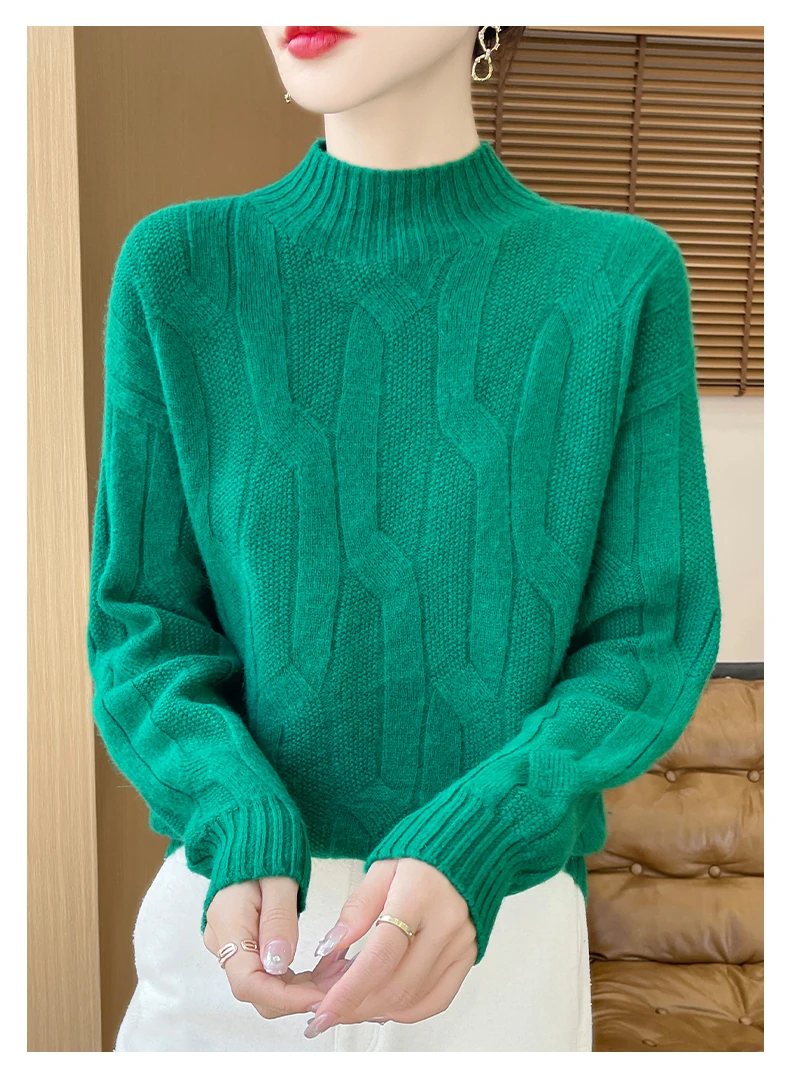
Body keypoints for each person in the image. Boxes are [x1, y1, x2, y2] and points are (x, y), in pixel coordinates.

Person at [86, 25, 722, 1053]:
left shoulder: (618, 277)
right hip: (240, 922)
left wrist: (479, 832)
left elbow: (648, 638)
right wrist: (233, 810)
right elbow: (141, 623)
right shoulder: (180, 266)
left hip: (495, 930)